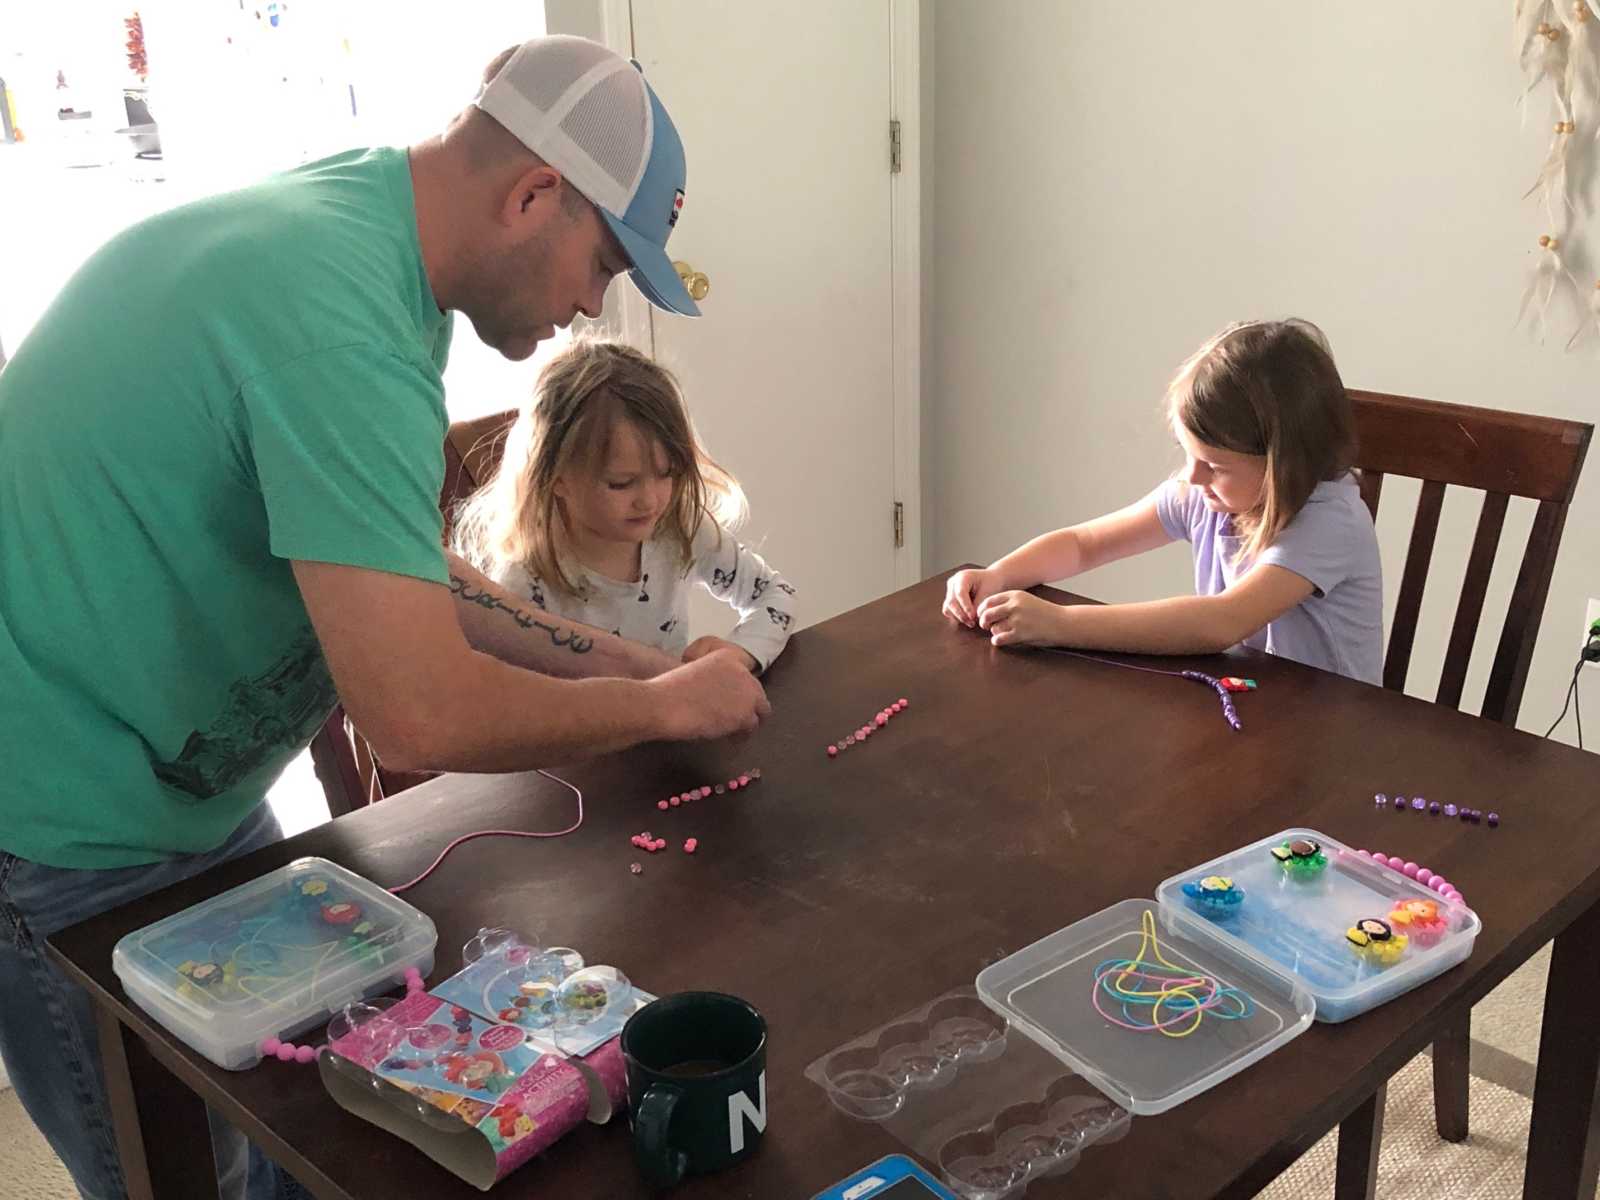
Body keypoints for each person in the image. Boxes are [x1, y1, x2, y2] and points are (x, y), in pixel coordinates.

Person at [0, 35, 766, 1200]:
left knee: (314, 1130)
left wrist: (614, 660)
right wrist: (650, 705)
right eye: (603, 265)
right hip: (54, 815)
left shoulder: (366, 246)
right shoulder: (335, 320)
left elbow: (391, 566)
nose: (588, 308)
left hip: (182, 787)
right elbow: (413, 714)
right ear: (533, 194)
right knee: (171, 1168)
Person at [943, 319, 1383, 683]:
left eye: (1216, 464)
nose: (1193, 476)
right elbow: (1086, 543)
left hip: (1332, 731)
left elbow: (1220, 623)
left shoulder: (1330, 521)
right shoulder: (1207, 493)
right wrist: (1000, 574)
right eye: (1189, 454)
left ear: (1284, 464)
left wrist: (1058, 623)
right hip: (1258, 706)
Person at [455, 339, 796, 673]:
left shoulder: (679, 527)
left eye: (666, 474)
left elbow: (775, 595)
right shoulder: (526, 582)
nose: (649, 501)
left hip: (679, 720)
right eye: (621, 483)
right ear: (556, 478)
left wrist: (740, 653)